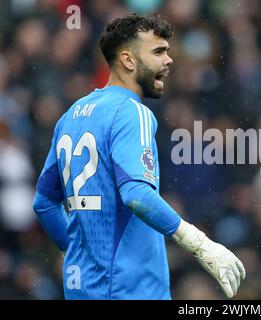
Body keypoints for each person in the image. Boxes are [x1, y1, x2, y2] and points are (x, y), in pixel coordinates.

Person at [32, 13, 245, 300]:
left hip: (83, 290)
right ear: (128, 60)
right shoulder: (133, 112)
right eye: (158, 51)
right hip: (129, 291)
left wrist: (74, 253)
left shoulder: (70, 117)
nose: (169, 60)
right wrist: (201, 244)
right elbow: (135, 194)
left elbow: (45, 202)